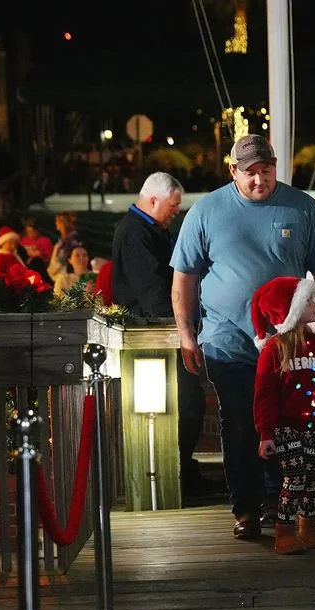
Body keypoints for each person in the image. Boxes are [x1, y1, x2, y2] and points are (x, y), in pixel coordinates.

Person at [171, 134, 315, 540]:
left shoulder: (302, 208)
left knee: (287, 421)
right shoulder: (206, 211)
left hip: (288, 343)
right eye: (249, 173)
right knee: (240, 422)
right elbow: (184, 277)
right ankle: (245, 507)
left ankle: (276, 502)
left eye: (265, 171)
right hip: (228, 340)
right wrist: (186, 333)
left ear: (275, 167)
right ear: (233, 171)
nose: (258, 180)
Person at [110, 172, 213, 496]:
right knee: (186, 404)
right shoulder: (136, 234)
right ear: (153, 200)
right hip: (155, 336)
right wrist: (182, 324)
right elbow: (154, 291)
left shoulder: (143, 230)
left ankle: (181, 468)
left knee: (187, 403)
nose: (175, 213)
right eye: (173, 206)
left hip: (163, 331)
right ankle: (176, 473)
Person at [252, 276, 315, 555]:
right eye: (307, 300)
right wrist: (265, 433)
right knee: (294, 477)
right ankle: (284, 529)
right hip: (285, 427)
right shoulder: (274, 350)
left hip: (314, 426)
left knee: (312, 475)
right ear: (290, 309)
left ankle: (308, 525)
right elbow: (264, 395)